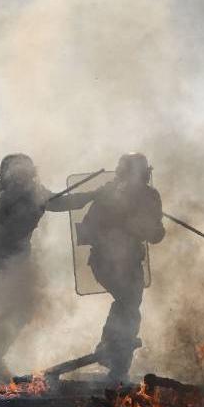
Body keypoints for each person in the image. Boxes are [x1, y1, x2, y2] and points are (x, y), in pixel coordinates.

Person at [0, 154, 95, 376]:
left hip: (9, 263)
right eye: (16, 174)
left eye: (24, 174)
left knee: (18, 314)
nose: (20, 179)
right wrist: (16, 199)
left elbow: (63, 202)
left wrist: (93, 195)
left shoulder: (35, 194)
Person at [79, 153, 165, 383]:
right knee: (128, 303)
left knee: (129, 306)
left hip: (131, 264)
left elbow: (157, 234)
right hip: (105, 262)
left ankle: (115, 362)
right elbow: (87, 230)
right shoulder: (107, 195)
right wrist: (115, 227)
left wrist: (144, 227)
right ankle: (112, 352)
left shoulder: (149, 197)